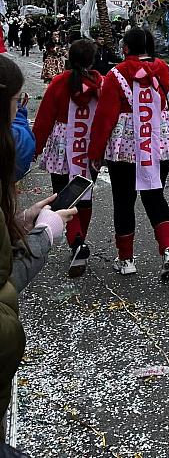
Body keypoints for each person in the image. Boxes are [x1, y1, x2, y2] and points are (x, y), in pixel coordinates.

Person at [0, 55, 76, 435]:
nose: (21, 115)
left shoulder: (63, 81)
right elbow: (5, 282)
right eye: (17, 104)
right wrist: (44, 235)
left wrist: (19, 221)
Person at [88, 28, 169, 278]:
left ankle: (126, 259)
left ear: (126, 48)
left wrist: (95, 151)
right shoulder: (168, 71)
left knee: (123, 199)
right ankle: (168, 249)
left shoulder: (115, 74)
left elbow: (104, 117)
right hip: (159, 141)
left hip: (126, 147)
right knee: (154, 194)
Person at [33, 39, 102, 277]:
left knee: (64, 196)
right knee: (85, 194)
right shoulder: (99, 83)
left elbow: (44, 119)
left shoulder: (59, 82)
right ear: (92, 60)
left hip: (63, 145)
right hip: (88, 146)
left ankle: (76, 242)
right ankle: (80, 239)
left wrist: (34, 148)